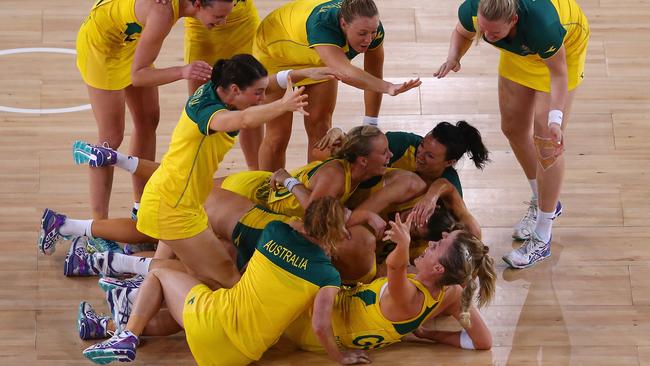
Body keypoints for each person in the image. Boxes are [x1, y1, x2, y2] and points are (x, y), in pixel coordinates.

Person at [39, 55, 310, 290]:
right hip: (175, 205)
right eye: (259, 93)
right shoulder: (215, 117)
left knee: (169, 260)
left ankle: (97, 262)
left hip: (175, 193)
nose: (263, 97)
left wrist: (305, 74)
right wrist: (283, 106)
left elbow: (262, 87)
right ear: (235, 90)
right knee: (226, 279)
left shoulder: (216, 90)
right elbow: (246, 119)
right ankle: (112, 280)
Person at [81, 197, 351, 365]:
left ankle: (128, 335)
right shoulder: (328, 275)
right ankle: (106, 326)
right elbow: (319, 326)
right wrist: (341, 358)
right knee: (197, 300)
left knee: (159, 275)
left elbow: (298, 223)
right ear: (335, 232)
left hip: (214, 322)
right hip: (237, 357)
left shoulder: (274, 231)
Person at [434, 0, 589, 268]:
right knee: (513, 128)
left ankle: (542, 236)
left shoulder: (543, 25)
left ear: (513, 20)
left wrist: (555, 119)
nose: (487, 37)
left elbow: (559, 75)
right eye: (484, 30)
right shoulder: (476, 10)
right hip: (521, 53)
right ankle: (541, 198)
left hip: (560, 53)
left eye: (494, 33)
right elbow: (462, 31)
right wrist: (454, 57)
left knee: (546, 142)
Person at [76, 0, 237, 220]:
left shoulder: (167, 11)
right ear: (198, 4)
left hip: (130, 39)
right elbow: (138, 76)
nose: (223, 22)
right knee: (111, 138)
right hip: (103, 47)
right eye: (218, 17)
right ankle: (98, 228)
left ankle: (140, 207)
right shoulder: (161, 14)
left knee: (148, 120)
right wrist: (182, 71)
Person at [284, 213, 495, 361]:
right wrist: (430, 335)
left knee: (291, 228)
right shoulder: (452, 294)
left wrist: (403, 244)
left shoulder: (408, 298)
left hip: (309, 324)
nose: (430, 243)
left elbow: (395, 266)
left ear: (439, 268)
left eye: (438, 245)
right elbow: (483, 341)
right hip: (322, 325)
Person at [252, 0, 421, 171]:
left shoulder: (371, 30)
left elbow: (373, 75)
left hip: (321, 59)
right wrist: (388, 87)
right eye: (362, 33)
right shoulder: (322, 25)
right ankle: (267, 192)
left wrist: (371, 123)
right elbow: (345, 73)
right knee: (278, 136)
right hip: (276, 54)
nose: (369, 39)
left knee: (321, 131)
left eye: (372, 32)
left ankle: (314, 189)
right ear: (343, 24)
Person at [317, 120, 490, 227]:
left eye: (430, 156)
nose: (420, 155)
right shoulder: (401, 144)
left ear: (449, 162)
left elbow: (468, 226)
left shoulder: (450, 183)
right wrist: (340, 134)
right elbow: (362, 146)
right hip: (345, 206)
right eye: (422, 145)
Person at [221, 125, 392, 219]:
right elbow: (314, 209)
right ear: (363, 160)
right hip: (249, 194)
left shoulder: (346, 163)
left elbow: (323, 148)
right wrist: (288, 180)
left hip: (259, 191)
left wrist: (337, 130)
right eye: (384, 152)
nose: (390, 155)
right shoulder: (335, 175)